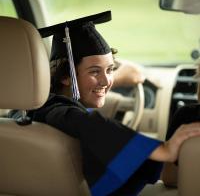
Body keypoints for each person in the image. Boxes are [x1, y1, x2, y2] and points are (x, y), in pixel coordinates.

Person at [25, 11, 200, 196]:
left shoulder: (28, 113)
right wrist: (162, 150)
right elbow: (88, 124)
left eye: (110, 70)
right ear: (67, 75)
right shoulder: (56, 112)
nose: (107, 81)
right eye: (94, 72)